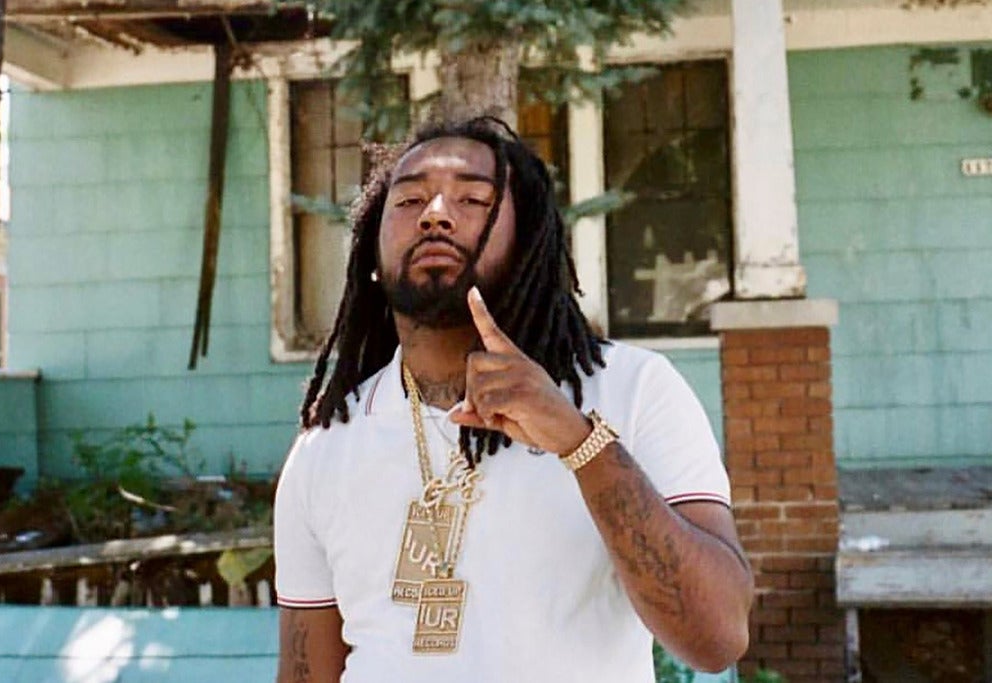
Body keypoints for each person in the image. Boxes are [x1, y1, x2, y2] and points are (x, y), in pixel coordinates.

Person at [274, 117, 753, 683]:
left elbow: (717, 638)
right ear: (371, 255)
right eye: (409, 200)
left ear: (527, 243)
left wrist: (579, 442)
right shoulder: (326, 447)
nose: (435, 214)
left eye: (473, 199)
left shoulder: (631, 389)